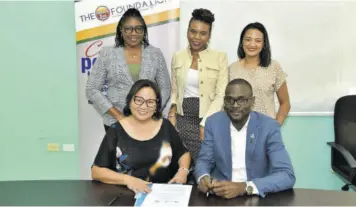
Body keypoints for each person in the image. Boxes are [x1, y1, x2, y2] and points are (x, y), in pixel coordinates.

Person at [195, 79, 295, 198]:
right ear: (224, 101)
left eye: (241, 100)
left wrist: (244, 187)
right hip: (220, 195)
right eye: (229, 100)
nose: (235, 105)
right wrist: (203, 177)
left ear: (252, 101)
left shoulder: (269, 126)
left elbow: (287, 175)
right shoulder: (213, 122)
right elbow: (204, 160)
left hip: (256, 196)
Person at [91, 79, 190, 194]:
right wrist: (129, 180)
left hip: (162, 196)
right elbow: (96, 171)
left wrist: (183, 170)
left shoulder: (166, 126)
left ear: (157, 105)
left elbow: (183, 153)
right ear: (130, 101)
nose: (144, 106)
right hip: (126, 196)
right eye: (138, 100)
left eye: (150, 102)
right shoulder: (116, 130)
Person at [86, 8, 171, 132]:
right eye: (128, 28)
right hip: (115, 123)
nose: (133, 33)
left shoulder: (155, 54)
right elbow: (92, 89)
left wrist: (151, 113)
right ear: (121, 30)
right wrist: (119, 116)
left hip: (147, 123)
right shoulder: (107, 54)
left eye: (138, 28)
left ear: (144, 30)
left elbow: (166, 88)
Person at [168, 8, 228, 162]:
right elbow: (175, 90)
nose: (196, 37)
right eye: (193, 31)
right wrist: (172, 113)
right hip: (183, 119)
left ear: (209, 35)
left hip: (209, 118)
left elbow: (221, 94)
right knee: (182, 164)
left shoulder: (220, 58)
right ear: (187, 31)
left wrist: (205, 123)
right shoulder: (178, 57)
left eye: (203, 33)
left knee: (205, 165)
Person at [229, 22, 290, 125]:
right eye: (248, 40)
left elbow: (285, 103)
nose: (252, 44)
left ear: (263, 44)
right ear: (242, 42)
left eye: (258, 41)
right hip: (238, 131)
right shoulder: (232, 69)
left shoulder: (274, 67)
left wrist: (275, 127)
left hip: (266, 132)